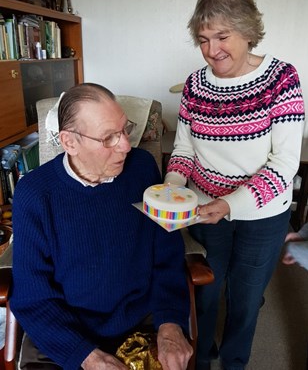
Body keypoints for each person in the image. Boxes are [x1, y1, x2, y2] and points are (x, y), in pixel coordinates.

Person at [164, 0, 305, 370]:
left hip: (262, 216)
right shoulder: (194, 85)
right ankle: (202, 358)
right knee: (206, 293)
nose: (212, 50)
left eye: (222, 36)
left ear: (246, 30)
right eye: (203, 40)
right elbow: (184, 149)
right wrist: (171, 190)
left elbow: (284, 164)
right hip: (205, 208)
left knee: (245, 298)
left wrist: (231, 203)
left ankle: (235, 361)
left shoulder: (281, 79)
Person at [10, 83, 193, 370]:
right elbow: (33, 296)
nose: (124, 145)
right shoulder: (34, 195)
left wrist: (170, 322)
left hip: (139, 317)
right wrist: (87, 356)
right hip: (67, 329)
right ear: (70, 142)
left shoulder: (143, 168)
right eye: (109, 137)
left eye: (125, 130)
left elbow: (166, 254)